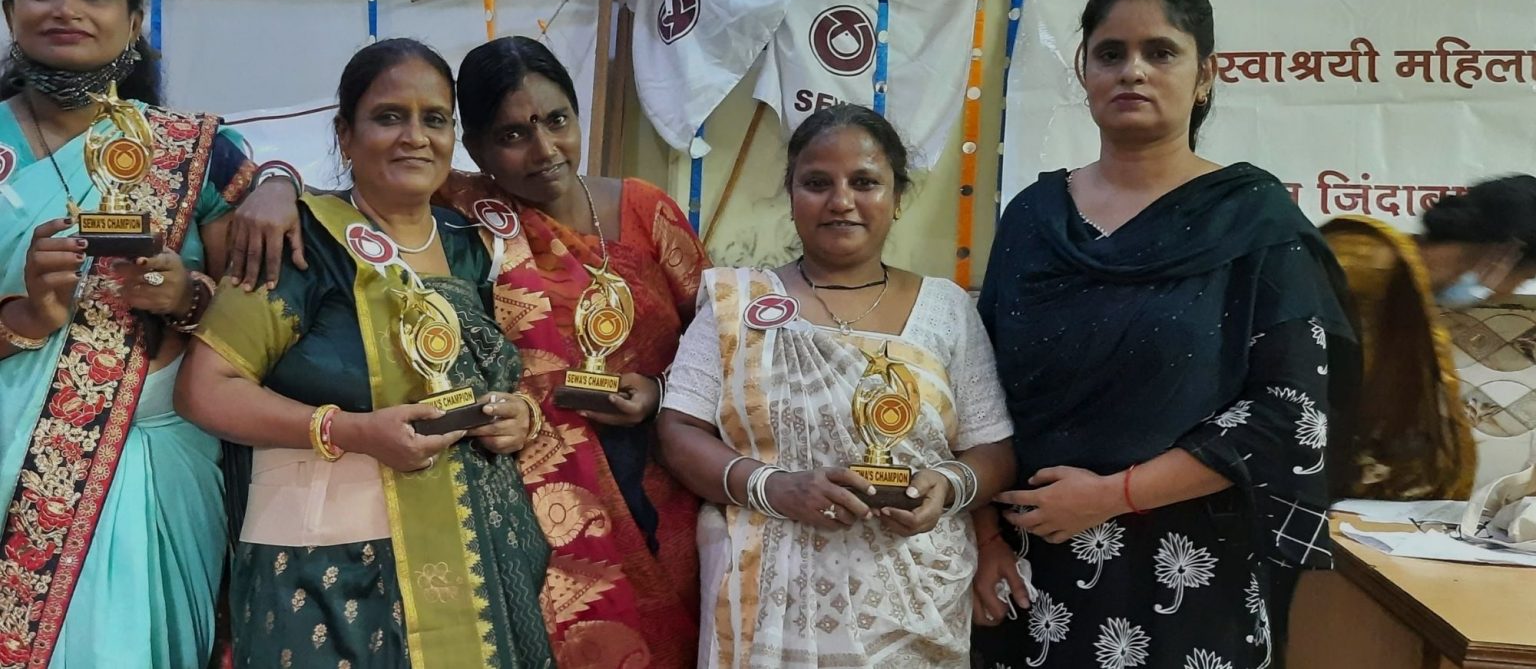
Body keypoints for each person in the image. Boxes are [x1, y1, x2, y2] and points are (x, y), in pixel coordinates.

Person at [970, 0, 1356, 669]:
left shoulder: (1254, 222)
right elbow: (975, 396)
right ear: (1085, 70)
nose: (1133, 71)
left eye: (1161, 52)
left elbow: (1288, 414)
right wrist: (985, 538)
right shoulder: (1033, 219)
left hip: (1190, 573)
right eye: (1110, 53)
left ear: (1205, 74)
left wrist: (1111, 496)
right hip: (1028, 572)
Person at [174, 39, 553, 668]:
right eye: (389, 117)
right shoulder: (299, 240)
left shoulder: (475, 244)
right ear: (345, 135)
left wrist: (516, 416)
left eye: (434, 119)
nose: (415, 137)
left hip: (476, 563)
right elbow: (204, 390)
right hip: (330, 570)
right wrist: (350, 431)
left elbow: (507, 373)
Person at [0, 0, 300, 668]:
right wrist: (28, 316)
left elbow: (257, 312)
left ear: (134, 20)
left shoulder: (195, 151)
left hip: (159, 460)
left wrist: (189, 296)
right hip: (12, 463)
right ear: (10, 10)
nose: (66, 8)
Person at [656, 105, 1016, 668]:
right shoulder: (738, 303)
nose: (841, 201)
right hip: (765, 594)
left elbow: (993, 446)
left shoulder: (945, 309)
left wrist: (948, 486)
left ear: (898, 197)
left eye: (865, 182)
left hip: (914, 599)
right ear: (791, 195)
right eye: (817, 183)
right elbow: (678, 428)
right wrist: (776, 488)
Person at [437, 35, 705, 667]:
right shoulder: (462, 214)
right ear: (475, 148)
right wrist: (275, 185)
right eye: (512, 134)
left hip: (663, 481)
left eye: (557, 120)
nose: (545, 149)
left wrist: (659, 393)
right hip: (544, 490)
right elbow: (356, 195)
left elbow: (719, 340)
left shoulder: (646, 210)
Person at [1323, 175, 1536, 501]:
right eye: (1523, 279)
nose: (1506, 293)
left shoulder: (1414, 297)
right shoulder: (1362, 262)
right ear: (1505, 253)